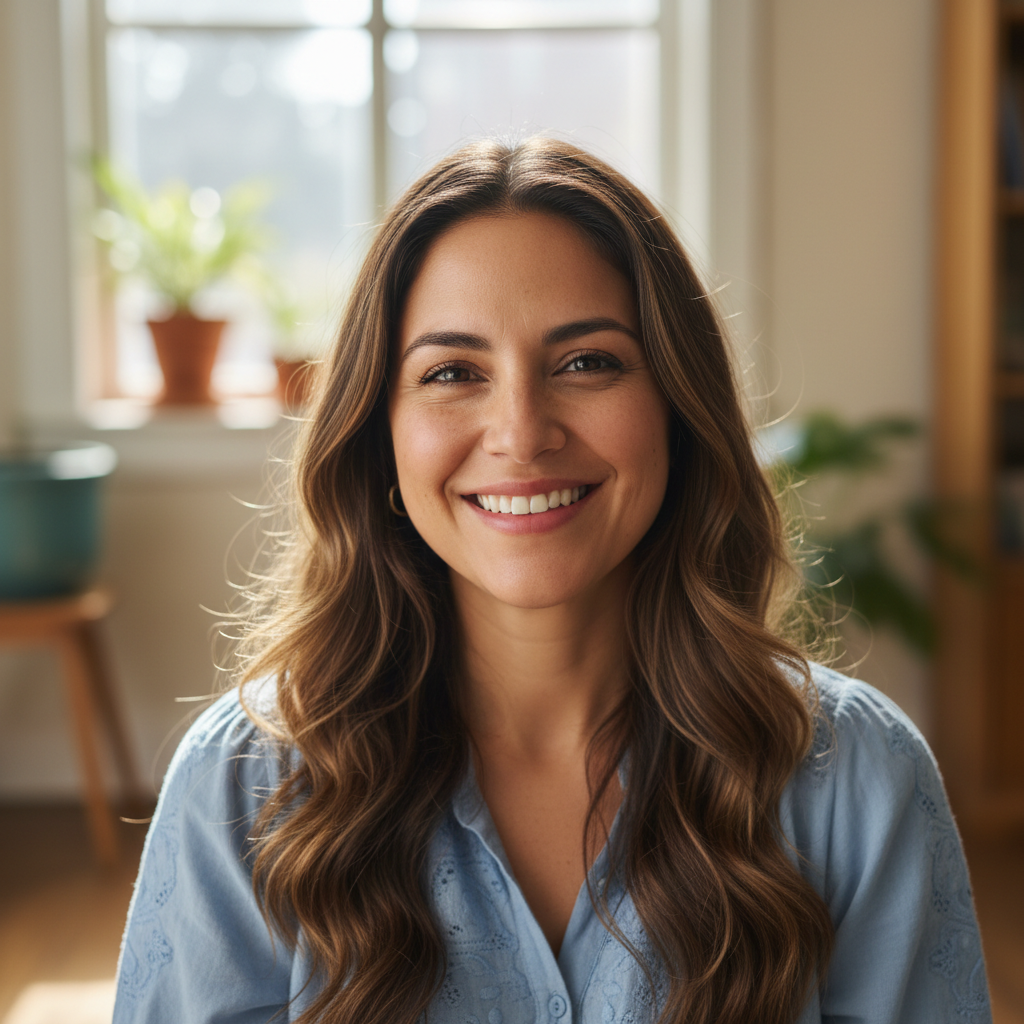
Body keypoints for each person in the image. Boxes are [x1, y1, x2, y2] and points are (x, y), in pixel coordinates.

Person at [112, 137, 991, 1024]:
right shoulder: (242, 784)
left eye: (587, 362)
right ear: (381, 434)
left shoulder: (856, 778)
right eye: (453, 373)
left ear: (678, 412)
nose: (522, 433)